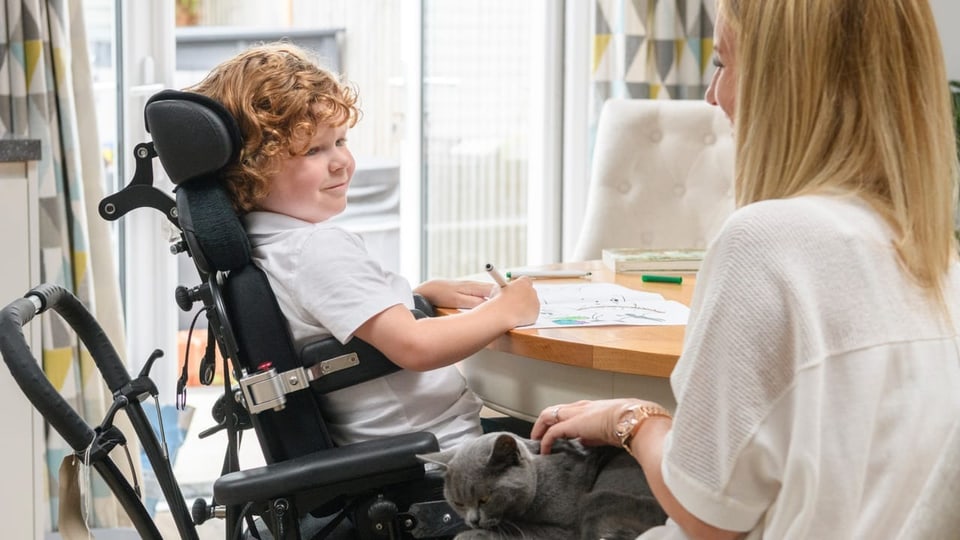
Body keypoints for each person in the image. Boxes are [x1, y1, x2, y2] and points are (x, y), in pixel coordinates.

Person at [532, 0, 960, 538]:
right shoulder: (938, 260)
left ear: (789, 84)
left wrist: (633, 422)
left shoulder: (765, 243)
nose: (713, 96)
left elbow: (706, 514)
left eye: (722, 63)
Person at [187, 42, 540, 451]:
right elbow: (415, 346)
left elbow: (331, 321)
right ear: (251, 168)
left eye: (340, 141)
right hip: (447, 454)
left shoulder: (268, 244)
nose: (341, 162)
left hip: (412, 448)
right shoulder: (315, 248)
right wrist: (506, 309)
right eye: (313, 150)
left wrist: (413, 298)